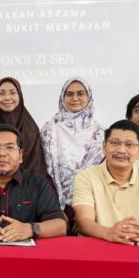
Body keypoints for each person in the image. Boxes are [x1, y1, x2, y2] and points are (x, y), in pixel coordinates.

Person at [73, 120, 139, 245]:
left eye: (129, 144)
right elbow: (83, 221)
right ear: (104, 147)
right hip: (99, 247)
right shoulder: (86, 177)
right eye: (115, 143)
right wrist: (108, 233)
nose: (121, 150)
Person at [40, 78, 104, 211]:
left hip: (92, 201)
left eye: (80, 94)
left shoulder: (100, 133)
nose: (75, 98)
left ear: (89, 97)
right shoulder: (49, 129)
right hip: (54, 201)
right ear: (62, 98)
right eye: (69, 94)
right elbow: (44, 168)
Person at [0, 77, 47, 176]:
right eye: (2, 93)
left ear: (19, 96)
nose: (7, 97)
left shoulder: (31, 129)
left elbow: (37, 166)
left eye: (12, 93)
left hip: (28, 183)